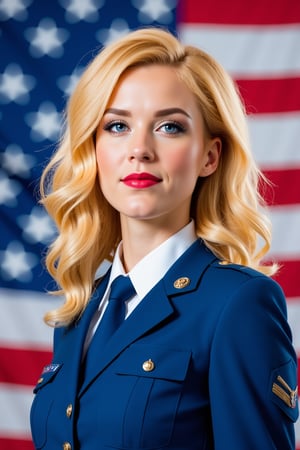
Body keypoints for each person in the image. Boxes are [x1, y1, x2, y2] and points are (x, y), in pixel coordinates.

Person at [30, 27, 298, 450]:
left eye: (170, 126)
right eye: (116, 126)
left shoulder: (238, 305)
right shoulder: (80, 313)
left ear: (209, 156)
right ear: (93, 149)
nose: (139, 149)